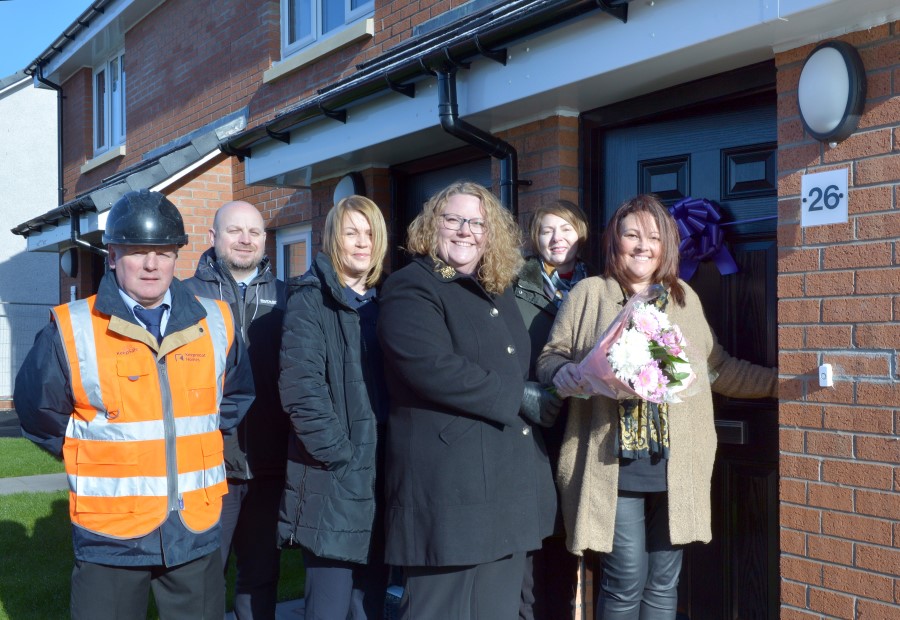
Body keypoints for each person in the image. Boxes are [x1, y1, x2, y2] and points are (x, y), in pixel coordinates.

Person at [14, 189, 255, 619]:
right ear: (111, 256)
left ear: (176, 255)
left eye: (162, 252)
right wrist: (95, 454)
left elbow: (234, 398)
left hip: (193, 530)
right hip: (111, 535)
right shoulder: (73, 329)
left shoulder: (215, 322)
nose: (151, 264)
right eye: (137, 252)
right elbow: (38, 411)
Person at [537, 194, 778, 620]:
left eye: (653, 237)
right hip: (612, 465)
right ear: (616, 241)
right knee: (625, 579)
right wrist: (564, 373)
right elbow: (550, 356)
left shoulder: (683, 297)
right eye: (632, 234)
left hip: (677, 462)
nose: (643, 245)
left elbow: (716, 369)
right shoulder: (589, 294)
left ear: (666, 245)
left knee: (665, 582)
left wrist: (783, 383)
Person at [377, 181, 561, 619]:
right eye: (453, 220)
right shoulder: (411, 286)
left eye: (477, 223)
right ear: (431, 225)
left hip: (507, 490)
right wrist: (518, 396)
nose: (465, 231)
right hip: (450, 494)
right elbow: (430, 366)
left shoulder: (497, 290)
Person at [277, 195, 390, 619]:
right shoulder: (311, 300)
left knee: (370, 601)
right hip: (335, 472)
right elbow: (300, 391)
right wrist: (340, 455)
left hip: (383, 468)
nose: (362, 243)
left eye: (370, 233)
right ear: (332, 239)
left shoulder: (385, 304)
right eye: (351, 232)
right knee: (329, 602)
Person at [183, 200, 288, 618]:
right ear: (212, 238)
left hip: (269, 466)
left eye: (255, 232)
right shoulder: (185, 298)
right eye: (234, 230)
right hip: (208, 469)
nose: (246, 239)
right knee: (203, 580)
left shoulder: (288, 298)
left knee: (261, 577)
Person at [513, 200, 591, 620]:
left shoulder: (598, 286)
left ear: (581, 234)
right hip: (532, 425)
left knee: (566, 545)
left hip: (580, 429)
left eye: (565, 229)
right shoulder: (513, 284)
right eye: (546, 230)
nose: (556, 238)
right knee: (532, 544)